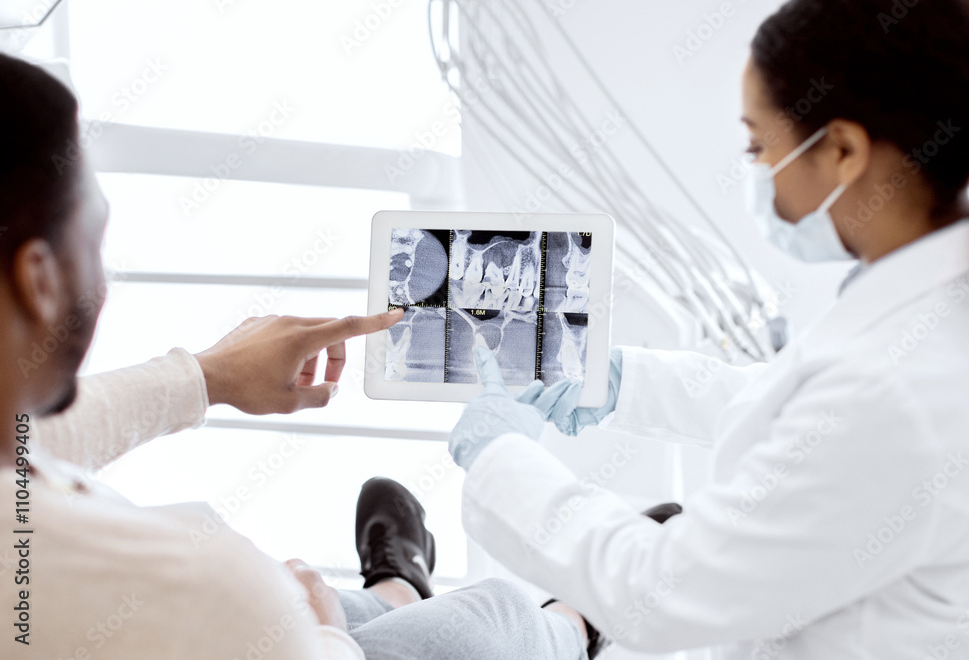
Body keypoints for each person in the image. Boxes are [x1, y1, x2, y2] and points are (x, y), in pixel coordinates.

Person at [0, 51, 633, 659]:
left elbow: (35, 443)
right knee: (486, 622)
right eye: (96, 240)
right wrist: (324, 636)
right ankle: (579, 621)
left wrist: (208, 376)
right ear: (41, 279)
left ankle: (398, 585)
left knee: (321, 604)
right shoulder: (202, 583)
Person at [449, 0, 969, 658]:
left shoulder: (898, 388)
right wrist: (626, 382)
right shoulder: (952, 299)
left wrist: (500, 460)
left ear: (845, 150)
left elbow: (663, 593)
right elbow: (809, 423)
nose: (758, 172)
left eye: (757, 143)